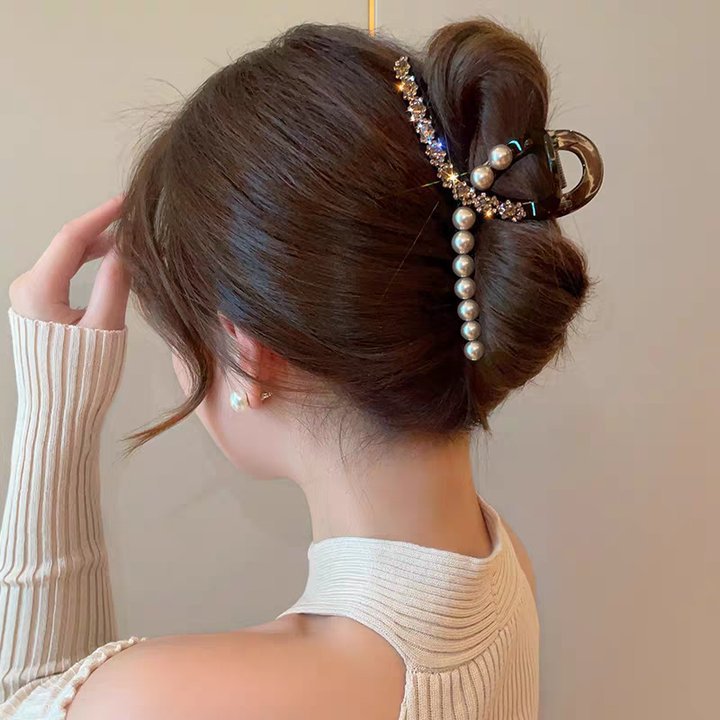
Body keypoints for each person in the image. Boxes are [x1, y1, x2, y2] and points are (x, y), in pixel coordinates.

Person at [0, 17, 602, 720]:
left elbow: (34, 701)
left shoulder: (154, 702)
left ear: (245, 351)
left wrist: (57, 413)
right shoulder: (501, 572)